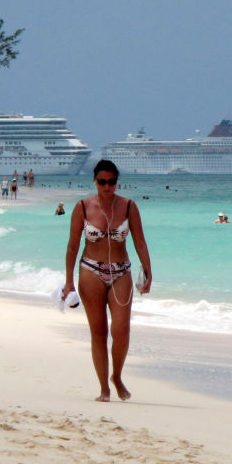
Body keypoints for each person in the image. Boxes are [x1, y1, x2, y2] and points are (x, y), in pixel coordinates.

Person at [63, 159, 152, 402]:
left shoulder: (129, 206)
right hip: (90, 270)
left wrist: (148, 271)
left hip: (121, 271)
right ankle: (104, 388)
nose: (107, 187)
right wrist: (69, 282)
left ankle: (117, 376)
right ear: (95, 182)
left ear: (116, 182)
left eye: (111, 182)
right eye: (102, 182)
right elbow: (72, 246)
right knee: (99, 331)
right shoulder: (82, 207)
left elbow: (140, 241)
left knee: (121, 329)